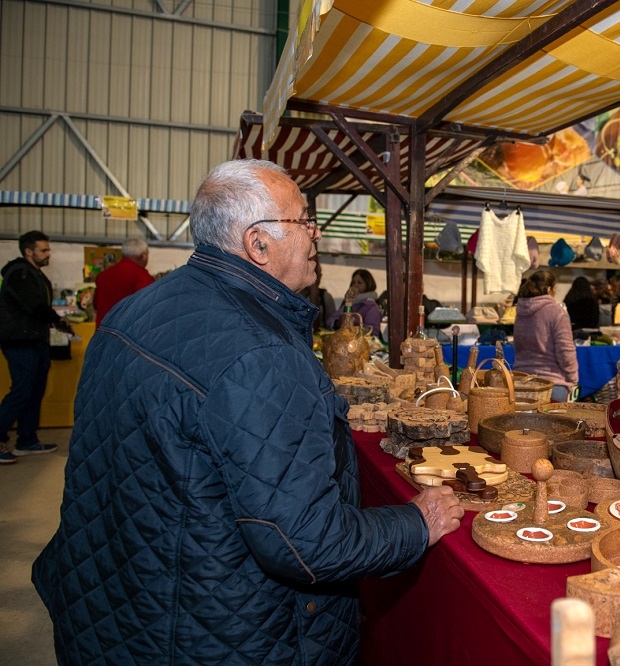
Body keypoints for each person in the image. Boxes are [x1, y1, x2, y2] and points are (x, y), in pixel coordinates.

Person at [32, 159, 463, 664]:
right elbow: (304, 541)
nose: (315, 235)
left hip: (112, 609)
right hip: (210, 632)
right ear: (258, 243)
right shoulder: (263, 355)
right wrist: (415, 523)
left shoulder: (138, 309)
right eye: (303, 220)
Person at [0, 231, 68, 463]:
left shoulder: (33, 274)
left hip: (35, 341)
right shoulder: (20, 274)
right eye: (44, 250)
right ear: (29, 252)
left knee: (34, 391)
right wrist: (57, 320)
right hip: (21, 342)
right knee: (21, 391)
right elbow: (35, 305)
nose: (48, 254)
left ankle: (27, 439)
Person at [513, 270, 578, 401]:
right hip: (551, 384)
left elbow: (517, 346)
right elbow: (565, 352)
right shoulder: (557, 312)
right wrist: (573, 379)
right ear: (549, 289)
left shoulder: (520, 312)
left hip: (520, 383)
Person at [94, 237, 155, 327]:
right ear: (143, 256)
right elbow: (147, 309)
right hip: (126, 334)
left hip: (102, 333)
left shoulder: (103, 275)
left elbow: (96, 305)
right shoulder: (142, 277)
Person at [327, 268, 383, 338]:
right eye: (353, 282)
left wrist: (354, 324)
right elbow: (329, 321)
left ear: (368, 285)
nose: (355, 285)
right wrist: (337, 322)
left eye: (359, 283)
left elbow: (373, 331)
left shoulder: (371, 306)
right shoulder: (349, 302)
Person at [298, 260, 336, 332]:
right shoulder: (294, 295)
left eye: (317, 276)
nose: (315, 279)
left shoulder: (325, 297)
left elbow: (331, 322)